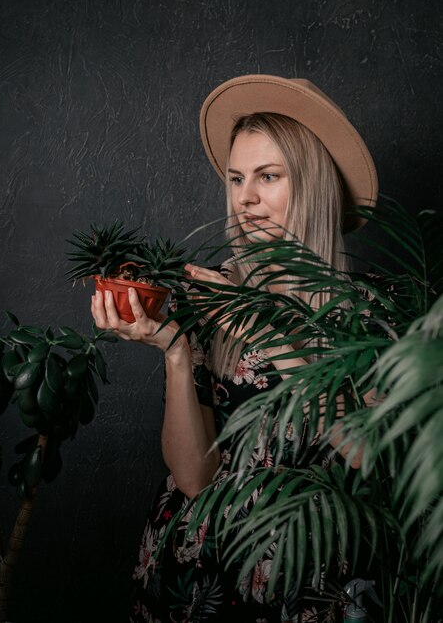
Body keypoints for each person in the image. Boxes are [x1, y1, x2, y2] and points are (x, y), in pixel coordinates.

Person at [90, 75, 378, 622]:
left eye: (268, 177)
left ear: (312, 185)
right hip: (196, 580)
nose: (245, 198)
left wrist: (257, 325)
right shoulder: (210, 293)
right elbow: (195, 478)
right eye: (237, 178)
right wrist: (175, 349)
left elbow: (368, 455)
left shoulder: (368, 312)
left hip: (307, 577)